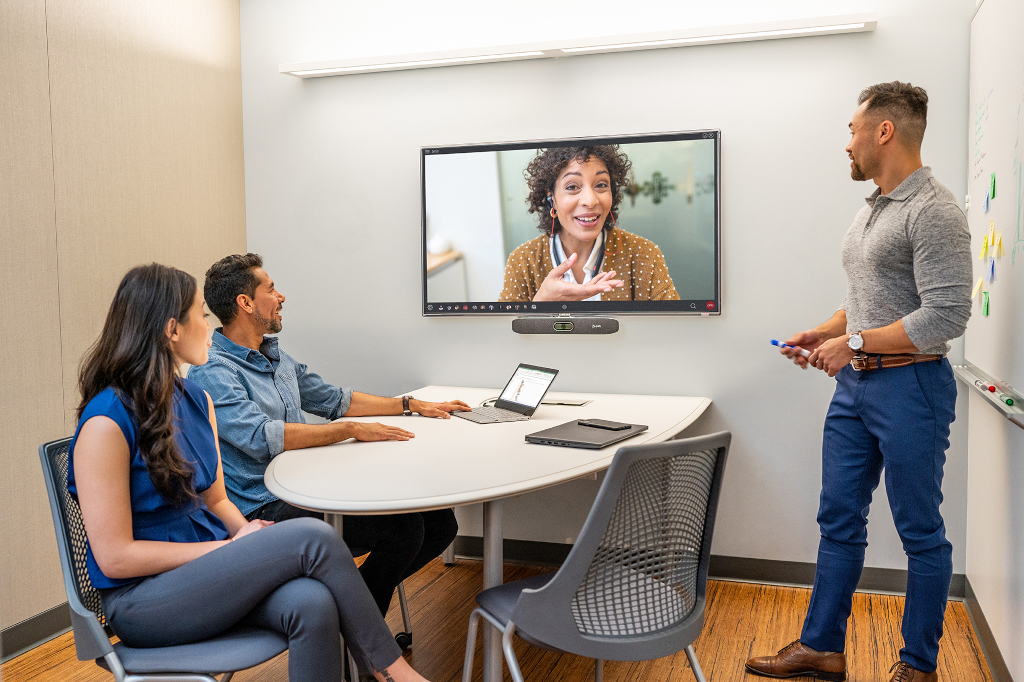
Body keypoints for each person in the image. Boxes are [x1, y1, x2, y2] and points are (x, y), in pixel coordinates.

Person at [69, 263, 431, 682]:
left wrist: (242, 534)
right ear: (172, 330)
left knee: (312, 603)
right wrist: (230, 550)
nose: (209, 327)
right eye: (201, 316)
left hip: (205, 572)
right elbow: (115, 558)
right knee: (314, 535)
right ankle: (392, 670)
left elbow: (217, 500)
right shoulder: (105, 424)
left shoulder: (194, 400)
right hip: (144, 601)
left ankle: (377, 666)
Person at [745, 83, 971, 682]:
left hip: (912, 388)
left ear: (884, 132)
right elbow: (862, 303)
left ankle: (917, 666)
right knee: (838, 518)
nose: (846, 143)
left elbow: (945, 316)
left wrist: (855, 345)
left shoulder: (936, 211)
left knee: (921, 530)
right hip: (856, 391)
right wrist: (821, 335)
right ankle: (822, 647)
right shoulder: (872, 206)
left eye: (852, 130)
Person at [187, 253, 468, 622]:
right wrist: (349, 430)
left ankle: (348, 613)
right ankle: (361, 631)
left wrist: (411, 404)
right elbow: (259, 436)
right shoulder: (213, 371)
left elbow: (334, 399)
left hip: (309, 485)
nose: (281, 296)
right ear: (246, 303)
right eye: (271, 289)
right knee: (403, 529)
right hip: (265, 507)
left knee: (440, 522)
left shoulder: (275, 356)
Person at [498, 145, 680, 302]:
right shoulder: (523, 261)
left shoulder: (643, 254)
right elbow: (506, 339)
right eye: (572, 187)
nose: (590, 200)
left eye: (601, 184)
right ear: (551, 195)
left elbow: (676, 331)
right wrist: (541, 301)